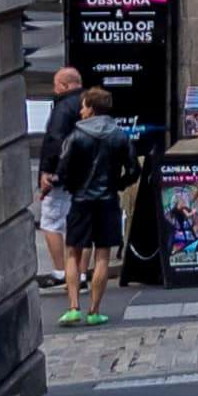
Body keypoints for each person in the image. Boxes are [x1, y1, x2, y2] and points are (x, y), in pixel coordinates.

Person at [56, 87, 137, 326]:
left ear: (91, 108)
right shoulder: (119, 136)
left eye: (83, 106)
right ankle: (94, 310)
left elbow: (63, 169)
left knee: (73, 252)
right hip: (107, 200)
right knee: (102, 255)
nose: (81, 111)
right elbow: (133, 170)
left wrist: (73, 186)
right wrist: (117, 184)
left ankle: (73, 306)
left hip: (81, 200)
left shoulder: (76, 136)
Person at [32, 64, 86, 291]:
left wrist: (47, 172)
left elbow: (54, 140)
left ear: (64, 85)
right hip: (86, 174)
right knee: (80, 223)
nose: (55, 91)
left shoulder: (63, 107)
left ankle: (61, 271)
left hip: (63, 174)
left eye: (56, 86)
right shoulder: (89, 102)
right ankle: (81, 273)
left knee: (51, 220)